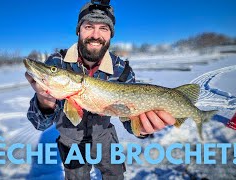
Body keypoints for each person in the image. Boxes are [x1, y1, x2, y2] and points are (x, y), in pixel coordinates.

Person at [25, 1, 176, 179]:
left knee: (115, 176)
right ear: (78, 30)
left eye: (103, 28)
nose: (96, 35)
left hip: (105, 137)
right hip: (70, 140)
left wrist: (141, 128)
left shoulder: (121, 69)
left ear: (111, 34)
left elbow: (128, 119)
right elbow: (40, 124)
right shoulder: (57, 63)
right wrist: (45, 102)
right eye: (88, 26)